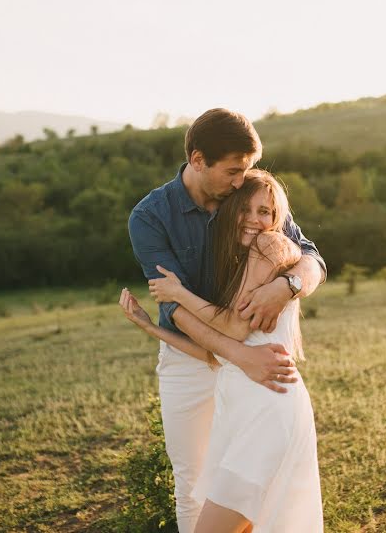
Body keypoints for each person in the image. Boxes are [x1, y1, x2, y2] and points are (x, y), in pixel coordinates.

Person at [125, 108, 325, 531]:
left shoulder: (250, 197)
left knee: (245, 484)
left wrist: (284, 287)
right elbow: (174, 307)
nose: (241, 180)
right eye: (234, 170)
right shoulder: (150, 217)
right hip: (194, 359)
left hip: (249, 365)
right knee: (196, 483)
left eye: (247, 169)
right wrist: (238, 355)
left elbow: (311, 258)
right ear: (198, 161)